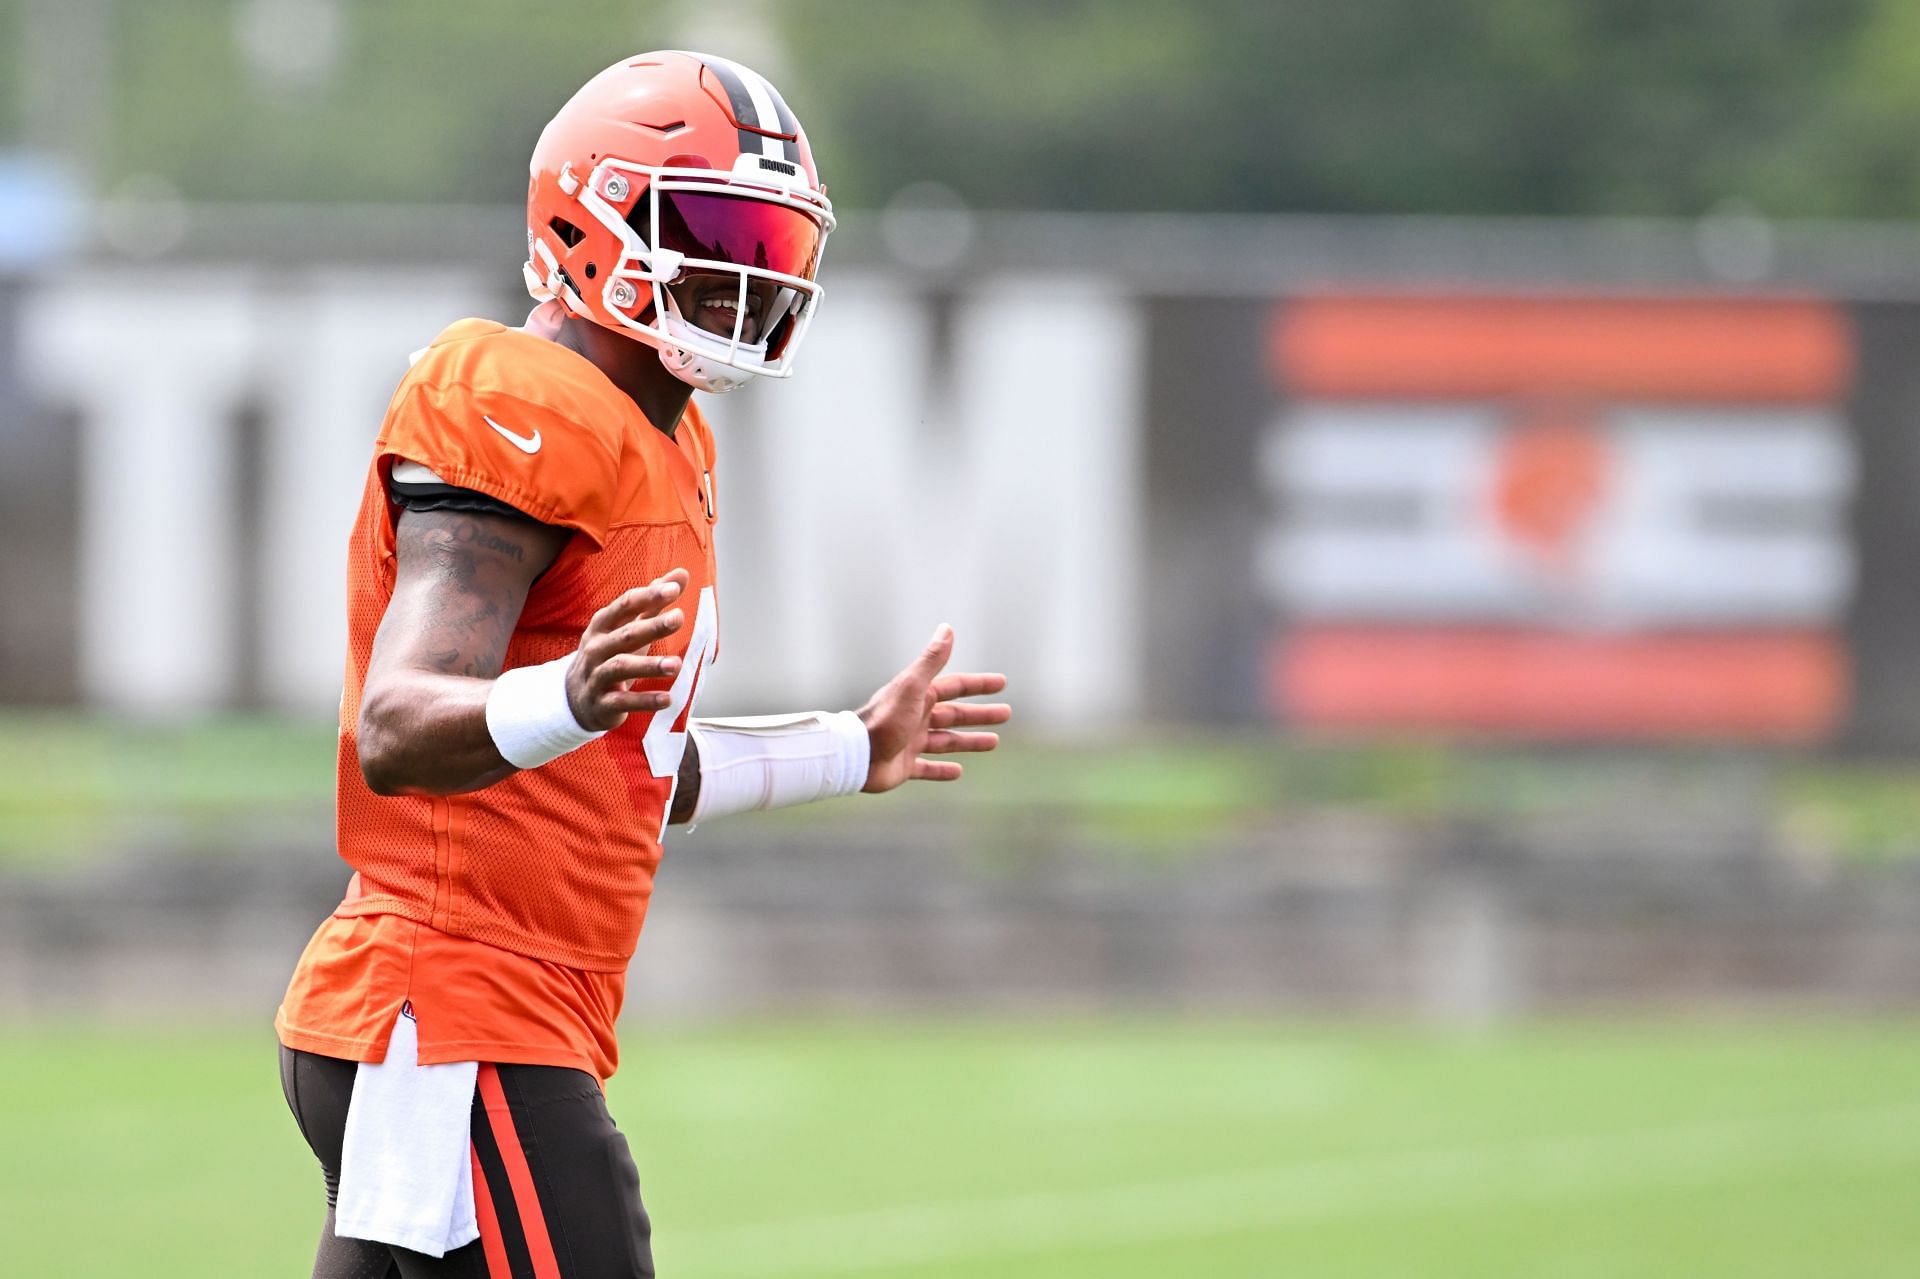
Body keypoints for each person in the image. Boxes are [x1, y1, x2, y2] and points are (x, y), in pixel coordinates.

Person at [274, 50, 1011, 1279]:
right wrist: (561, 697)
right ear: (589, 215)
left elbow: (626, 771)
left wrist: (852, 747)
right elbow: (398, 729)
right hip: (456, 1011)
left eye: (776, 241)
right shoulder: (520, 399)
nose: (752, 273)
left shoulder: (665, 440)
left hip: (461, 1018)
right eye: (718, 227)